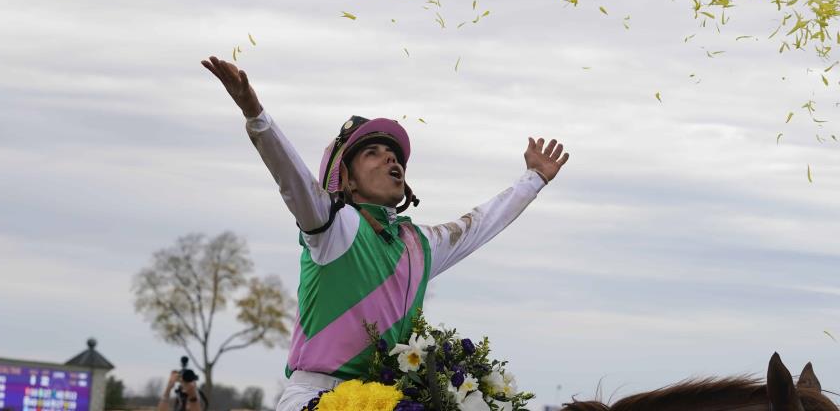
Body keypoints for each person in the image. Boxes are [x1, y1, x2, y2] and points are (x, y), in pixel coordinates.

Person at [201, 56, 570, 411]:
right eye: (373, 153)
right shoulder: (334, 225)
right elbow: (292, 178)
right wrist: (256, 115)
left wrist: (533, 179)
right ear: (346, 179)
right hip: (314, 398)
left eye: (395, 155)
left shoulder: (421, 244)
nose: (391, 159)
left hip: (388, 401)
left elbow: (480, 224)